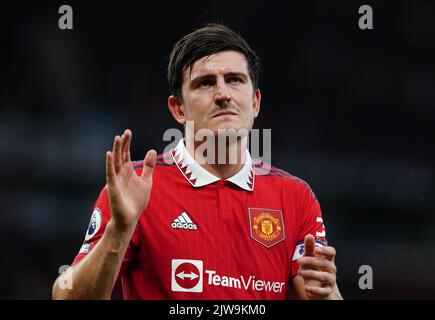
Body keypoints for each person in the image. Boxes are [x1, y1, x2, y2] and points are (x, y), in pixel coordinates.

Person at [52, 23, 342, 300]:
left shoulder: (295, 197)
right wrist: (119, 231)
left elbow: (321, 293)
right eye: (205, 83)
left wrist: (326, 292)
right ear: (178, 109)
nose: (222, 94)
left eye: (234, 80)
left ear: (255, 102)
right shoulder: (137, 188)